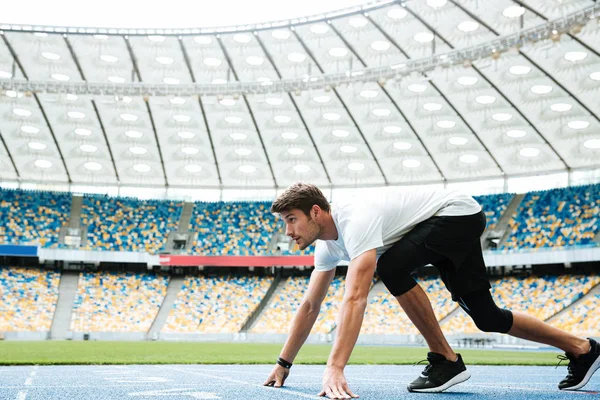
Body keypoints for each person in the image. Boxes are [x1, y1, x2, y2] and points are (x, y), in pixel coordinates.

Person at [262, 182, 600, 398]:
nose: (288, 230)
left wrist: (335, 367)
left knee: (392, 267)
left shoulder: (355, 220)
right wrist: (283, 363)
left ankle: (446, 360)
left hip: (456, 213)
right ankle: (583, 349)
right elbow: (309, 306)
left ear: (316, 212)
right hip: (454, 220)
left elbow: (355, 297)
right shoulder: (327, 248)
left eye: (291, 219)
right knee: (487, 317)